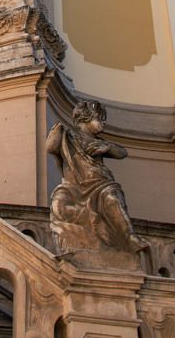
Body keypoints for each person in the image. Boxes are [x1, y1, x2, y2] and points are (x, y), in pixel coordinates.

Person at [47, 100, 146, 254]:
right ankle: (91, 218)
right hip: (73, 187)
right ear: (86, 118)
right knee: (58, 205)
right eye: (100, 119)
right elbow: (51, 147)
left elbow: (122, 153)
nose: (104, 123)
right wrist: (56, 133)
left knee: (112, 198)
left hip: (100, 185)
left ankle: (129, 237)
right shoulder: (68, 136)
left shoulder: (99, 142)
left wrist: (107, 147)